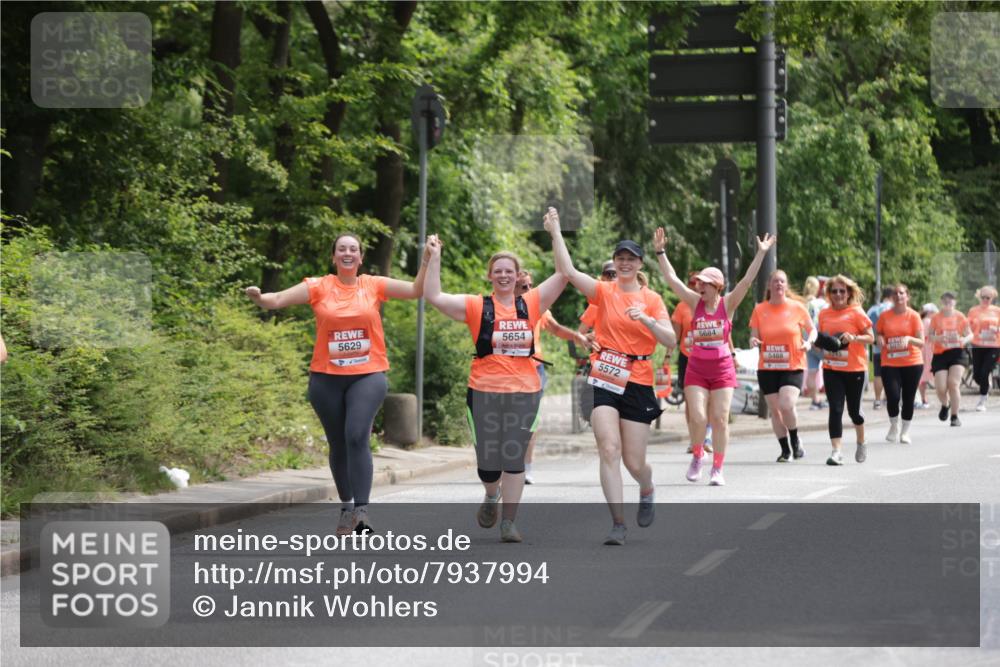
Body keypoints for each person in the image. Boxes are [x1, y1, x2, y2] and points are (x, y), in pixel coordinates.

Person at [245, 233, 431, 535]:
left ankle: (362, 512)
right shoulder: (319, 286)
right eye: (342, 249)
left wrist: (426, 260)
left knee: (356, 435)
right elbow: (277, 300)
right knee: (338, 444)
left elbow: (414, 290)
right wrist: (259, 298)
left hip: (368, 375)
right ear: (334, 257)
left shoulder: (373, 285)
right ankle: (346, 507)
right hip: (326, 379)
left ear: (360, 258)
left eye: (353, 249)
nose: (347, 253)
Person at [424, 233, 567, 543]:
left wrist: (555, 233)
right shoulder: (477, 306)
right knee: (489, 464)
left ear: (517, 276)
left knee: (514, 457)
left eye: (509, 271)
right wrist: (433, 257)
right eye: (498, 270)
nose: (504, 275)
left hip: (525, 391)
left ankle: (509, 522)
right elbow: (433, 296)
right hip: (484, 391)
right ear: (490, 276)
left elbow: (563, 273)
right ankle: (491, 495)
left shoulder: (532, 303)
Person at [547, 210, 676, 546]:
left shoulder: (652, 299)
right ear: (615, 263)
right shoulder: (604, 292)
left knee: (634, 462)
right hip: (604, 375)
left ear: (640, 265)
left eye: (630, 259)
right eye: (620, 258)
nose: (624, 264)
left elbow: (671, 340)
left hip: (639, 379)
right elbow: (570, 271)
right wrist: (556, 232)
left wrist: (647, 320)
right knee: (608, 448)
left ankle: (646, 487)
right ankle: (618, 522)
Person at [654, 226, 776, 487]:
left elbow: (747, 280)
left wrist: (761, 254)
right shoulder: (693, 302)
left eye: (705, 283)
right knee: (697, 417)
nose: (699, 286)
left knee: (719, 419)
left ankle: (718, 468)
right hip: (697, 368)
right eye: (699, 282)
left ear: (717, 286)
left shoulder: (728, 304)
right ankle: (698, 456)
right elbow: (672, 279)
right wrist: (660, 252)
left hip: (722, 369)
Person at [516, 270, 591, 484]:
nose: (529, 290)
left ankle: (527, 468)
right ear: (511, 287)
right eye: (523, 286)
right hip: (504, 371)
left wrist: (576, 336)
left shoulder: (538, 308)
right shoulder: (498, 308)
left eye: (531, 285)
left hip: (533, 370)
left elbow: (556, 329)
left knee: (530, 422)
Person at [748, 270, 815, 462]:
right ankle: (785, 450)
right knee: (775, 410)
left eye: (782, 282)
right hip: (768, 366)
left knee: (786, 404)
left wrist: (809, 342)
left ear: (786, 286)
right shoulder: (760, 309)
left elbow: (813, 330)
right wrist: (753, 341)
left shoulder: (797, 308)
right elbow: (754, 335)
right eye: (775, 281)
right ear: (769, 286)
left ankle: (795, 440)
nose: (778, 285)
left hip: (792, 364)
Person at [816, 275, 874, 465]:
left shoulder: (856, 312)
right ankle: (836, 451)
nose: (839, 294)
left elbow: (871, 337)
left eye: (842, 291)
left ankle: (861, 441)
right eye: (835, 291)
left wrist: (854, 338)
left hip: (855, 369)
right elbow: (819, 338)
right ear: (829, 294)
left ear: (848, 293)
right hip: (831, 368)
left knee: (854, 412)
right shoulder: (824, 314)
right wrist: (820, 343)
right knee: (835, 408)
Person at [875, 283, 925, 443]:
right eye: (896, 294)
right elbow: (878, 334)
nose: (898, 296)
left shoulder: (914, 316)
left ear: (907, 296)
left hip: (912, 362)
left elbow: (921, 342)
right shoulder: (885, 316)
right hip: (890, 362)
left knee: (908, 397)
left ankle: (905, 431)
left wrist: (909, 339)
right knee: (893, 396)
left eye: (902, 293)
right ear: (892, 297)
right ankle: (894, 425)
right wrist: (880, 339)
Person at [672, 272, 713, 454]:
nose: (695, 286)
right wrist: (666, 356)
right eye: (691, 283)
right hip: (687, 356)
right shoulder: (682, 307)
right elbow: (675, 336)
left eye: (699, 283)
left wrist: (732, 353)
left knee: (711, 399)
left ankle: (708, 436)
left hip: (710, 356)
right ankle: (693, 438)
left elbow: (724, 332)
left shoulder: (711, 305)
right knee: (691, 401)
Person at [928, 292, 972, 426]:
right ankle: (945, 404)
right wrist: (938, 338)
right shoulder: (936, 318)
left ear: (955, 302)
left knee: (953, 383)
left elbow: (970, 334)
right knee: (941, 388)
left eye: (950, 300)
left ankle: (954, 416)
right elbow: (930, 336)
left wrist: (964, 339)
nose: (948, 303)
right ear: (941, 302)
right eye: (945, 300)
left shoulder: (960, 316)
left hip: (957, 353)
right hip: (940, 354)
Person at [968, 285, 1000, 411]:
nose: (985, 300)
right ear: (979, 297)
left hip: (994, 345)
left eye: (988, 297)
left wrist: (996, 329)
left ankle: (982, 401)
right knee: (977, 375)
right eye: (983, 297)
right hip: (977, 344)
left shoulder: (997, 311)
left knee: (985, 371)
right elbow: (967, 327)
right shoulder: (973, 310)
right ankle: (986, 384)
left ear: (992, 298)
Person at [866, 287, 895, 409]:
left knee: (878, 374)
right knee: (892, 374)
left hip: (876, 347)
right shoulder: (892, 308)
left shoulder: (872, 309)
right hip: (891, 347)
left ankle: (877, 400)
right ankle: (889, 398)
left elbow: (867, 325)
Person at [803, 276, 828, 410]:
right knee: (829, 370)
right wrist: (819, 341)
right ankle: (830, 398)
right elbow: (819, 323)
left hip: (808, 342)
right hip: (819, 342)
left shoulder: (803, 303)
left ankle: (814, 400)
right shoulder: (821, 304)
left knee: (812, 372)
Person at [917, 303, 939, 409]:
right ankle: (923, 398)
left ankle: (922, 398)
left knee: (923, 376)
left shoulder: (921, 321)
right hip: (927, 350)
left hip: (923, 349)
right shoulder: (928, 322)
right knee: (924, 376)